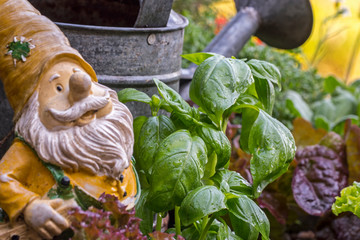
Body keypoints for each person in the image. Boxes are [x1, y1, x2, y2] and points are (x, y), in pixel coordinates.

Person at [0, 0, 137, 239]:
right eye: (59, 88)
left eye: (80, 75)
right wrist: (29, 206)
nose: (81, 89)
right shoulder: (28, 151)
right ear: (35, 111)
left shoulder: (115, 142)